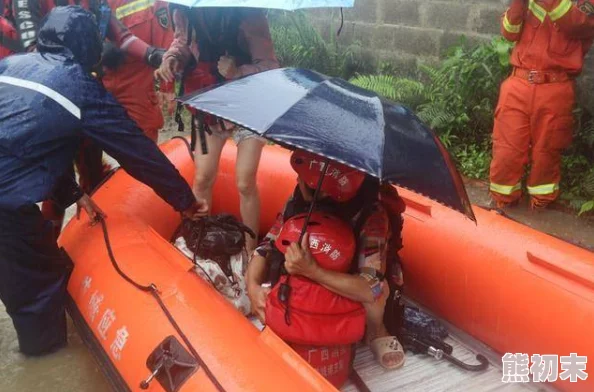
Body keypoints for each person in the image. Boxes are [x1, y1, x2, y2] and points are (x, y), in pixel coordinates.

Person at [0, 6, 208, 356]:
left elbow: (21, 145)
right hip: (6, 211)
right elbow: (138, 152)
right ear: (88, 47)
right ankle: (44, 360)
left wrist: (73, 191)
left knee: (43, 269)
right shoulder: (78, 87)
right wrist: (185, 201)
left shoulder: (12, 66)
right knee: (37, 294)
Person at [246, 149, 406, 370]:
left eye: (302, 178)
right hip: (304, 280)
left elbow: (373, 288)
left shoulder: (371, 214)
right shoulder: (298, 200)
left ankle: (376, 331)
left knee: (380, 290)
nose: (297, 180)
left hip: (347, 284)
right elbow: (267, 246)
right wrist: (252, 287)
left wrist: (314, 272)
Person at [155, 6, 280, 252]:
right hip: (210, 104)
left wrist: (238, 71)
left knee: (244, 181)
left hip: (248, 106)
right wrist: (172, 58)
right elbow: (182, 40)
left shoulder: (249, 14)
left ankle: (249, 250)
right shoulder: (186, 9)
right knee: (202, 177)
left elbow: (270, 67)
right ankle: (197, 240)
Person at [490, 0, 594, 209]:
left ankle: (541, 207)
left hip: (555, 87)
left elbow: (575, 24)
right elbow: (509, 32)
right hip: (517, 83)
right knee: (506, 149)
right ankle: (502, 202)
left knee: (547, 151)